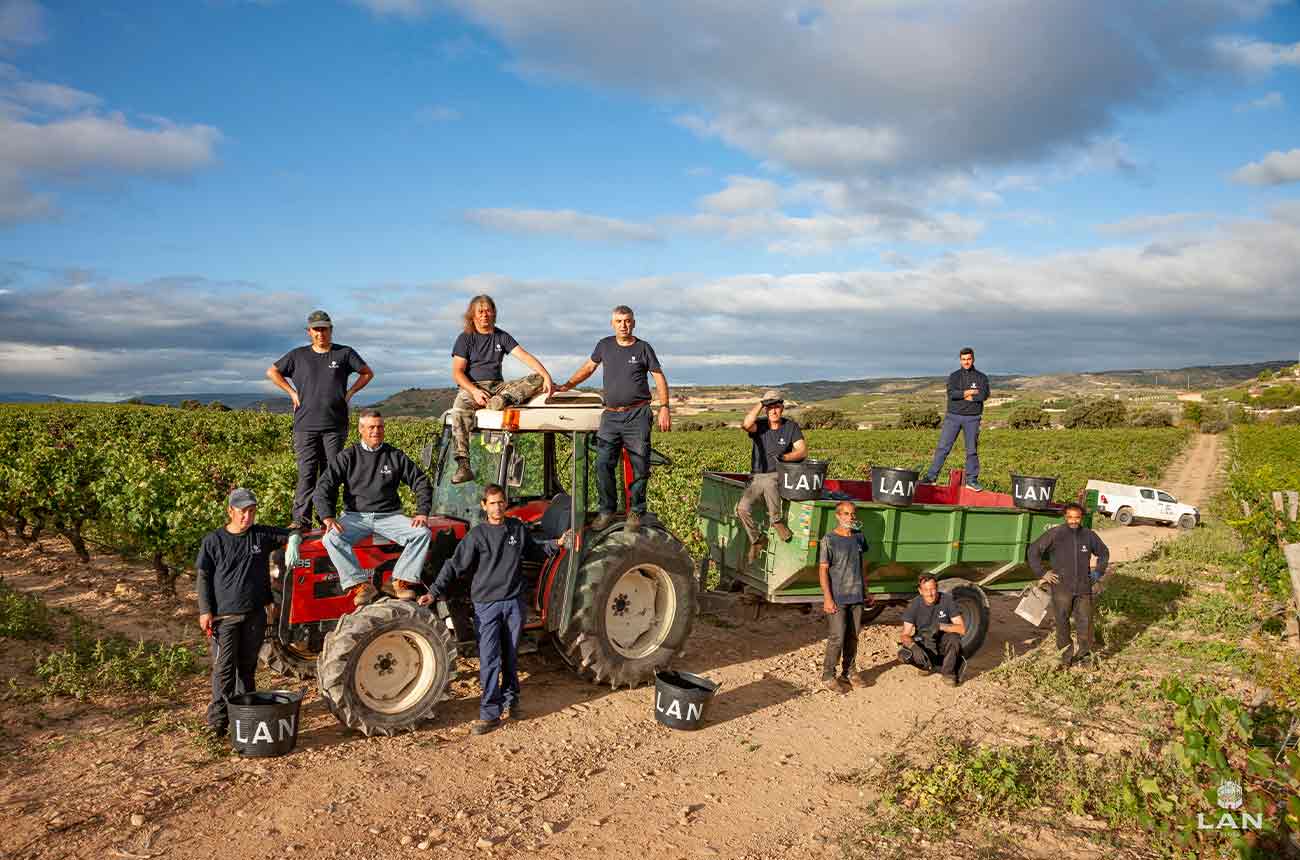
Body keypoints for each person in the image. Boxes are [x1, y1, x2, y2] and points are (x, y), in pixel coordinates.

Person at [420, 484, 569, 735]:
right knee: (490, 658)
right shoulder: (477, 535)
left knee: (511, 655)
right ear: (484, 506)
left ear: (505, 503)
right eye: (492, 503)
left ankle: (513, 702)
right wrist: (433, 592)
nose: (497, 507)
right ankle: (490, 714)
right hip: (486, 606)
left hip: (513, 603)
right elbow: (454, 565)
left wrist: (558, 543)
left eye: (501, 502)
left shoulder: (517, 529)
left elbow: (537, 549)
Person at [557, 305, 671, 532]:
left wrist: (665, 407)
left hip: (637, 414)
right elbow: (588, 368)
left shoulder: (643, 348)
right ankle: (606, 510)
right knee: (603, 464)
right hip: (611, 415)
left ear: (634, 323)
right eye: (619, 321)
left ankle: (636, 511)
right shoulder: (604, 345)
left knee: (640, 465)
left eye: (627, 321)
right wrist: (566, 386)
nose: (624, 325)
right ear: (612, 324)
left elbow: (658, 377)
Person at [195, 488, 294, 737]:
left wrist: (294, 540)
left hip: (254, 615)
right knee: (224, 669)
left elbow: (292, 532)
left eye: (251, 512)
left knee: (247, 668)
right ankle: (218, 722)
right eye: (242, 512)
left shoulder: (260, 535)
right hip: (224, 618)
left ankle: (244, 717)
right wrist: (205, 610)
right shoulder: (213, 541)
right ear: (230, 511)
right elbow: (203, 577)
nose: (247, 517)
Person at [314, 409, 433, 607]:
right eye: (371, 427)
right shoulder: (348, 457)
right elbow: (324, 486)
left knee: (422, 533)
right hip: (355, 517)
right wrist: (327, 516)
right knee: (331, 538)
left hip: (390, 516)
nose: (376, 431)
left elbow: (420, 481)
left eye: (379, 427)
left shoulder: (394, 456)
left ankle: (399, 581)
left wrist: (422, 511)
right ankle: (361, 584)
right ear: (361, 429)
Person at [267, 310, 374, 529]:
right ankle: (301, 521)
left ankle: (326, 519)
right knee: (306, 473)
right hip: (305, 425)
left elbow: (367, 373)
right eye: (316, 329)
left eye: (324, 329)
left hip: (335, 425)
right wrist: (291, 392)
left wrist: (350, 393)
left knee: (331, 474)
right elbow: (272, 372)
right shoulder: (297, 356)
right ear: (309, 332)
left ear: (331, 330)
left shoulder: (344, 353)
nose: (320, 333)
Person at [449, 295, 555, 484]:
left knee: (537, 378)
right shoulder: (465, 338)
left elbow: (524, 356)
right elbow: (457, 373)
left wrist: (546, 375)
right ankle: (463, 465)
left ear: (494, 313)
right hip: (473, 387)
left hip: (498, 387)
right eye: (480, 311)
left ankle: (503, 400)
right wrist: (474, 391)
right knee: (458, 410)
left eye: (488, 310)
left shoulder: (501, 336)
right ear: (472, 315)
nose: (484, 315)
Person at [1027, 501, 1110, 667]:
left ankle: (1084, 657)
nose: (1073, 521)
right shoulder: (1055, 534)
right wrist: (1042, 573)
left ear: (1081, 518)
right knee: (1062, 623)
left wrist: (1098, 572)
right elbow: (1033, 551)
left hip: (1084, 587)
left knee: (1085, 623)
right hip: (1061, 587)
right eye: (1070, 517)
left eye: (1077, 518)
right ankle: (1065, 658)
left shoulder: (1088, 535)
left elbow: (1104, 553)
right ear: (1065, 517)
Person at [737, 390, 806, 563]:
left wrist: (786, 457)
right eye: (770, 408)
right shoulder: (759, 425)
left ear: (782, 408)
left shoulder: (791, 427)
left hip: (780, 473)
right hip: (757, 476)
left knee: (769, 482)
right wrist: (762, 402)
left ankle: (776, 520)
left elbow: (802, 450)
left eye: (776, 407)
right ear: (766, 410)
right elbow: (746, 424)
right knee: (742, 509)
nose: (773, 411)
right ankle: (757, 539)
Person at [818, 501, 872, 693]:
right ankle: (827, 675)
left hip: (856, 596)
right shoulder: (829, 540)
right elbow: (823, 571)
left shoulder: (858, 538)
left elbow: (861, 565)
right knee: (837, 637)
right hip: (838, 597)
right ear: (838, 516)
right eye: (846, 514)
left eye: (852, 514)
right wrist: (827, 597)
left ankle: (848, 672)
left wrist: (866, 590)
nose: (850, 518)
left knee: (853, 636)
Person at [920, 347, 989, 491]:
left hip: (972, 418)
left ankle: (971, 480)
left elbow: (983, 395)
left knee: (971, 450)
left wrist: (967, 395)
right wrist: (968, 393)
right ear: (960, 360)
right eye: (963, 359)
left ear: (973, 359)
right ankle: (931, 478)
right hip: (953, 417)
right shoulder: (954, 376)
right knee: (943, 448)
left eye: (969, 359)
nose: (966, 362)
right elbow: (952, 394)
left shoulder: (981, 377)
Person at [898, 574, 967, 686]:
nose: (930, 594)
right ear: (920, 591)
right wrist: (913, 647)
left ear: (937, 588)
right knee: (903, 654)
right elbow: (904, 635)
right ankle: (926, 666)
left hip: (943, 643)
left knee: (954, 638)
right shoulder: (914, 605)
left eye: (933, 589)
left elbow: (962, 629)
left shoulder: (947, 600)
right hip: (925, 642)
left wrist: (941, 626)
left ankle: (948, 673)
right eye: (926, 590)